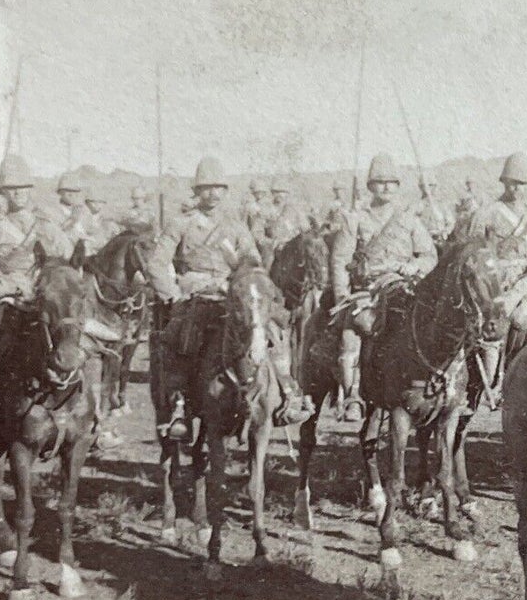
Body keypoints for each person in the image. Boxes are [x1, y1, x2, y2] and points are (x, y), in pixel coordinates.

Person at [148, 156, 307, 441]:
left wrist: (242, 284)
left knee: (272, 329)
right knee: (182, 338)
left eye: (218, 188)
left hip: (232, 293)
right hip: (192, 292)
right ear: (196, 191)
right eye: (206, 188)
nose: (212, 194)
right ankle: (179, 406)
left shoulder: (235, 225)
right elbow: (157, 264)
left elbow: (253, 262)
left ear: (225, 191)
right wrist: (172, 295)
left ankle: (288, 390)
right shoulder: (181, 223)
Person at [326, 153, 439, 424]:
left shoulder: (409, 220)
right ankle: (353, 394)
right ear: (370, 186)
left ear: (399, 186)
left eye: (391, 182)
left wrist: (415, 267)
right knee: (354, 329)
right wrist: (342, 296)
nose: (386, 187)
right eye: (379, 182)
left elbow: (429, 256)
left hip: (403, 287)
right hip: (367, 292)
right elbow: (340, 261)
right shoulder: (354, 220)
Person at [466, 152, 527, 331]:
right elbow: (472, 250)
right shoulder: (486, 213)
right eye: (513, 183)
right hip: (494, 281)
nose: (517, 189)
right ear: (504, 182)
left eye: (522, 184)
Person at [0, 154, 71, 302]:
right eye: (12, 188)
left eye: (23, 187)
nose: (18, 193)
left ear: (29, 189)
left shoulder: (45, 224)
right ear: (3, 192)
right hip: (9, 293)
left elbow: (68, 254)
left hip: (45, 291)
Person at [261, 178, 309, 257]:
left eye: (283, 192)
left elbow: (306, 230)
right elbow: (257, 233)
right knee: (268, 260)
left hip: (294, 247)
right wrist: (271, 242)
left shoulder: (296, 210)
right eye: (276, 192)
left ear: (287, 193)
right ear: (272, 193)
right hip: (274, 248)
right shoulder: (265, 210)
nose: (280, 194)